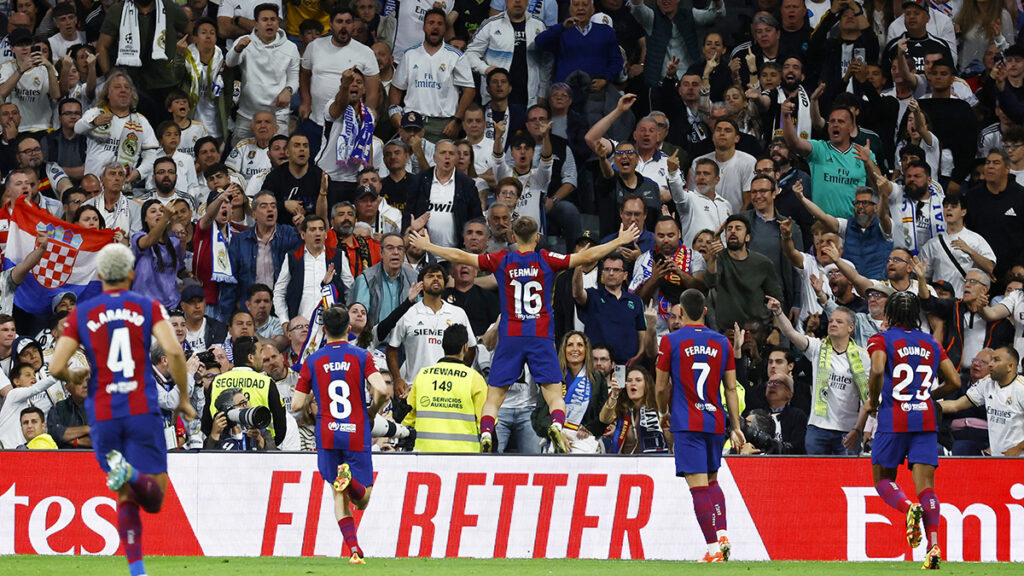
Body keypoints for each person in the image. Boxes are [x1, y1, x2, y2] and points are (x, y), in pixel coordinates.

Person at [410, 217, 640, 453]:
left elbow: (461, 256)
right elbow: (586, 256)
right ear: (537, 238)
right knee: (552, 392)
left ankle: (487, 431)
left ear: (512, 238)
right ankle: (557, 425)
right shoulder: (547, 259)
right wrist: (620, 240)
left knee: (494, 396)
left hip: (510, 335)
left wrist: (428, 246)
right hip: (540, 336)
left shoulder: (501, 259)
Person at [49, 243, 194, 576]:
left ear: (100, 276)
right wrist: (184, 397)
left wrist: (73, 375)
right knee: (154, 500)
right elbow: (173, 352)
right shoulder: (148, 307)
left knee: (125, 496)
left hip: (103, 414)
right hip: (142, 408)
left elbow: (57, 365)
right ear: (131, 275)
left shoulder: (82, 313)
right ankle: (130, 473)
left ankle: (137, 570)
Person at [865, 291, 960, 570]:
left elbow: (878, 367)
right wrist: (930, 397)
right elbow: (954, 380)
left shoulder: (881, 339)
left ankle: (908, 508)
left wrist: (872, 401)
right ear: (916, 315)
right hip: (925, 419)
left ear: (889, 315)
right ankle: (933, 546)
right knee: (927, 488)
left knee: (882, 479)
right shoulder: (930, 342)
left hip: (894, 418)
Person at [290, 304, 390, 565]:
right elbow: (382, 389)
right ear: (348, 328)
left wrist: (314, 388)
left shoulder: (312, 360)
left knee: (337, 492)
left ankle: (354, 550)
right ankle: (352, 484)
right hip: (356, 430)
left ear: (323, 330)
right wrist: (372, 410)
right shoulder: (361, 356)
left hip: (328, 433)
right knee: (363, 499)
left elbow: (297, 406)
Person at [655, 289, 744, 562]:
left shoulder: (671, 341)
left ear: (680, 311)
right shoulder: (723, 343)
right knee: (713, 480)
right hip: (715, 421)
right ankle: (723, 533)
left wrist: (663, 411)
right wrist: (736, 426)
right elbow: (730, 388)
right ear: (705, 311)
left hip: (687, 422)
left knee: (698, 488)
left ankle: (713, 550)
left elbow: (660, 386)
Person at [766, 295, 870, 455]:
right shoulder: (817, 348)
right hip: (817, 430)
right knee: (817, 478)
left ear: (851, 327)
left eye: (839, 322)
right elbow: (790, 333)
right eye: (831, 321)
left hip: (847, 431)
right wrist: (778, 312)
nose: (833, 324)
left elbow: (868, 398)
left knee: (845, 478)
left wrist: (858, 430)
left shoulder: (863, 357)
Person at [386, 264, 476, 394]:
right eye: (430, 276)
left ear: (445, 283)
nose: (435, 279)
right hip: (415, 387)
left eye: (439, 277)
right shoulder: (407, 313)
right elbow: (391, 348)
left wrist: (461, 372)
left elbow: (471, 347)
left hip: (450, 388)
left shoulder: (458, 313)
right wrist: (398, 378)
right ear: (421, 284)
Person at [401, 324, 487, 452]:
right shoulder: (474, 378)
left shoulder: (423, 375)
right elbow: (486, 421)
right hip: (464, 455)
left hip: (425, 452)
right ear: (465, 347)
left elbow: (407, 417)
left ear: (442, 345)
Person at [940, 346, 1024, 457]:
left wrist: (1018, 448)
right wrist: (924, 405)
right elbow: (956, 405)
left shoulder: (1021, 388)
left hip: (1019, 458)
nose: (990, 364)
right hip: (996, 457)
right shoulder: (987, 383)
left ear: (1010, 366)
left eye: (996, 360)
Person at [205, 335, 287, 447]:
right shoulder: (266, 382)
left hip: (223, 449)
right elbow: (280, 427)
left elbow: (206, 425)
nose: (262, 357)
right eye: (260, 352)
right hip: (259, 449)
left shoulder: (216, 382)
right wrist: (267, 445)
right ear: (251, 357)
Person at [599, 366, 668, 454]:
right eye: (629, 380)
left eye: (638, 380)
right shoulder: (622, 409)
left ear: (647, 384)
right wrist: (614, 395)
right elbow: (604, 419)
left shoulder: (658, 409)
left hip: (653, 462)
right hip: (623, 463)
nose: (633, 383)